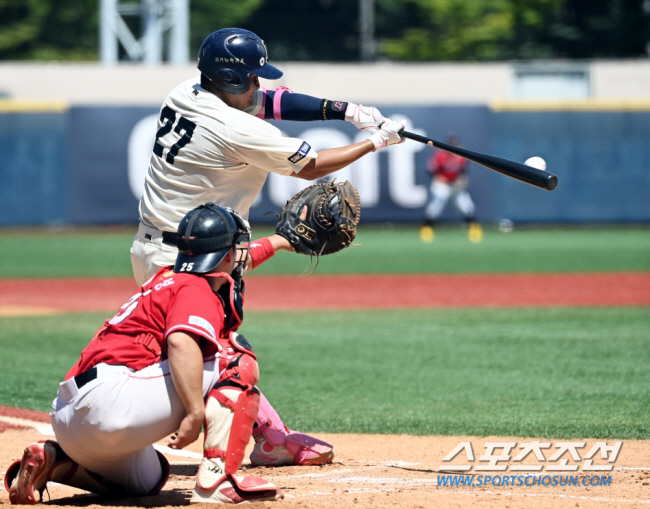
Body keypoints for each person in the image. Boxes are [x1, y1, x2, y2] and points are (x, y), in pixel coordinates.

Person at [130, 27, 405, 467]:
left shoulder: (189, 90)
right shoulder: (233, 126)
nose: (259, 86)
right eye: (252, 78)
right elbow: (309, 167)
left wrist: (346, 110)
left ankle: (267, 435)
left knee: (206, 348)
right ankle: (250, 444)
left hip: (169, 245)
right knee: (221, 354)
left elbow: (274, 101)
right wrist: (376, 142)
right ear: (231, 80)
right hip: (186, 259)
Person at [5, 204, 300, 505]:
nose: (241, 254)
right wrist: (194, 411)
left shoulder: (168, 277)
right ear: (224, 255)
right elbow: (181, 342)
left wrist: (279, 242)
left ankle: (55, 460)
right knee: (234, 356)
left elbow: (232, 259)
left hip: (71, 420)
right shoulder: (196, 287)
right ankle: (217, 478)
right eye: (236, 248)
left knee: (149, 478)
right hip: (110, 402)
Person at [419, 134, 482, 243]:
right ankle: (427, 229)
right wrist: (440, 179)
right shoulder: (440, 155)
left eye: (455, 145)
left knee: (466, 206)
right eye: (451, 145)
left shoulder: (461, 156)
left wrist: (462, 181)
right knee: (434, 208)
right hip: (442, 185)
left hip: (454, 186)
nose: (453, 147)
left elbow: (463, 174)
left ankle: (473, 229)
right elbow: (431, 171)